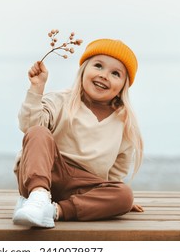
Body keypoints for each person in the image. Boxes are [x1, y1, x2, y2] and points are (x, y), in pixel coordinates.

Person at [12, 38, 144, 228]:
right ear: (83, 70)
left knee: (124, 195)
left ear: (123, 86)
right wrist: (37, 88)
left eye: (115, 73)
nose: (104, 75)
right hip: (44, 173)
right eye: (98, 66)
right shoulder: (60, 100)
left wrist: (110, 200)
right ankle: (37, 197)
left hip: (81, 189)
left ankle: (53, 211)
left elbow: (114, 175)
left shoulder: (124, 124)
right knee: (39, 132)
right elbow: (29, 126)